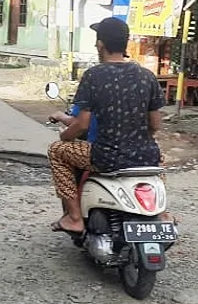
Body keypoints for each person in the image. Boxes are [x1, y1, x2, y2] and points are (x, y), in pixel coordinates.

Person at [47, 17, 165, 234]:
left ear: (101, 45)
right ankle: (162, 214)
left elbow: (82, 125)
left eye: (96, 42)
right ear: (125, 43)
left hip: (106, 157)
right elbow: (155, 124)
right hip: (146, 155)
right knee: (157, 158)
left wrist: (65, 138)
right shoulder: (147, 76)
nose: (95, 46)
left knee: (56, 151)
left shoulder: (94, 75)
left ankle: (74, 218)